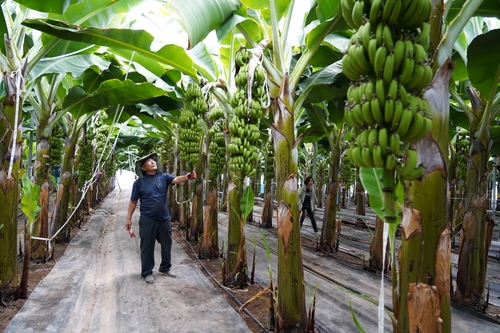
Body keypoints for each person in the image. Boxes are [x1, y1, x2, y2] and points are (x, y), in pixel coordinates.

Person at [125, 152, 196, 284]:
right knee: (147, 246)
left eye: (153, 160)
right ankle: (147, 272)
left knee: (167, 244)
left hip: (164, 218)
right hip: (147, 219)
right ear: (143, 168)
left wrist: (187, 177)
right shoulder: (139, 183)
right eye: (149, 161)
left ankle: (165, 267)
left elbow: (176, 179)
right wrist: (128, 218)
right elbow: (133, 202)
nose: (153, 162)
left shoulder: (163, 177)